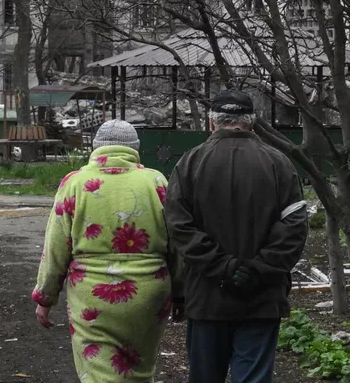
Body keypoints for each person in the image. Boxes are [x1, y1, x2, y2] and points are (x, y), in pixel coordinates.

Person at [165, 91, 309, 383]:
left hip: (207, 297)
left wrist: (223, 268)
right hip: (262, 297)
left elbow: (179, 226)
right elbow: (294, 226)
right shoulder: (279, 162)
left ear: (211, 123)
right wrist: (258, 269)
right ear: (252, 122)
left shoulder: (190, 163)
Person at [31, 120, 172, 383]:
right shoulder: (156, 181)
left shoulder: (75, 183)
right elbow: (176, 242)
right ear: (135, 149)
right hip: (148, 293)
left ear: (96, 147)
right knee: (138, 370)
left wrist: (45, 296)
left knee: (98, 373)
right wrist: (183, 295)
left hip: (93, 295)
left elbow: (56, 246)